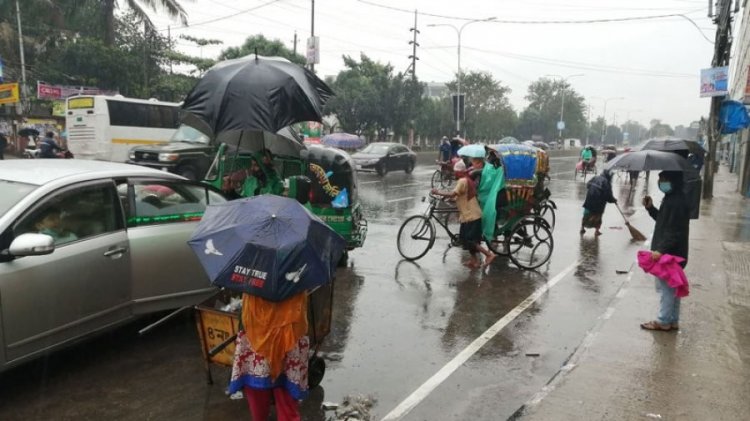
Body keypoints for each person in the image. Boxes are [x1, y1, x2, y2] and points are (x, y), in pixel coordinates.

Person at [229, 292, 309, 421]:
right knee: (284, 391)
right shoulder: (299, 272)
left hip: (258, 330)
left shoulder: (252, 273)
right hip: (286, 330)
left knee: (259, 393)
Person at [640, 171, 690, 332]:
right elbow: (663, 220)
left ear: (673, 181)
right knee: (673, 286)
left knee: (667, 288)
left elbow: (674, 230)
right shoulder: (674, 198)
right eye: (660, 179)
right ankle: (672, 319)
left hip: (670, 253)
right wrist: (650, 208)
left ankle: (663, 321)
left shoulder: (675, 202)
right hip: (675, 251)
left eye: (664, 180)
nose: (660, 182)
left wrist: (661, 250)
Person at [431, 160, 495, 269]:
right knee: (465, 239)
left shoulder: (462, 181)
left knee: (471, 240)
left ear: (460, 172)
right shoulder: (466, 180)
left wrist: (438, 192)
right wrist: (446, 197)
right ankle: (474, 260)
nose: (454, 174)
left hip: (472, 216)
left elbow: (453, 194)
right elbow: (459, 195)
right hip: (467, 216)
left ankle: (489, 255)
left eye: (456, 172)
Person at [580, 169, 617, 236]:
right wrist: (613, 200)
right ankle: (597, 231)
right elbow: (608, 196)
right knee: (598, 217)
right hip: (599, 203)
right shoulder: (607, 183)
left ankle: (582, 228)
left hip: (589, 200)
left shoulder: (595, 177)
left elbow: (588, 185)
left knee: (586, 215)